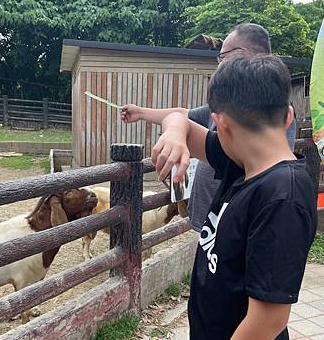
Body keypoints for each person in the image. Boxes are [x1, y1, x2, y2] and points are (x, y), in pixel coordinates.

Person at [150, 54, 316, 340]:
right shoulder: (243, 159)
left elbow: (268, 319)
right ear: (287, 116)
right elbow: (179, 121)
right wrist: (173, 133)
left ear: (221, 124)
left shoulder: (280, 197)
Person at [121, 23, 297, 232]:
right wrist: (156, 121)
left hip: (235, 221)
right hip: (212, 220)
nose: (219, 64)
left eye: (222, 57)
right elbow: (182, 115)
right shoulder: (229, 121)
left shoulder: (277, 191)